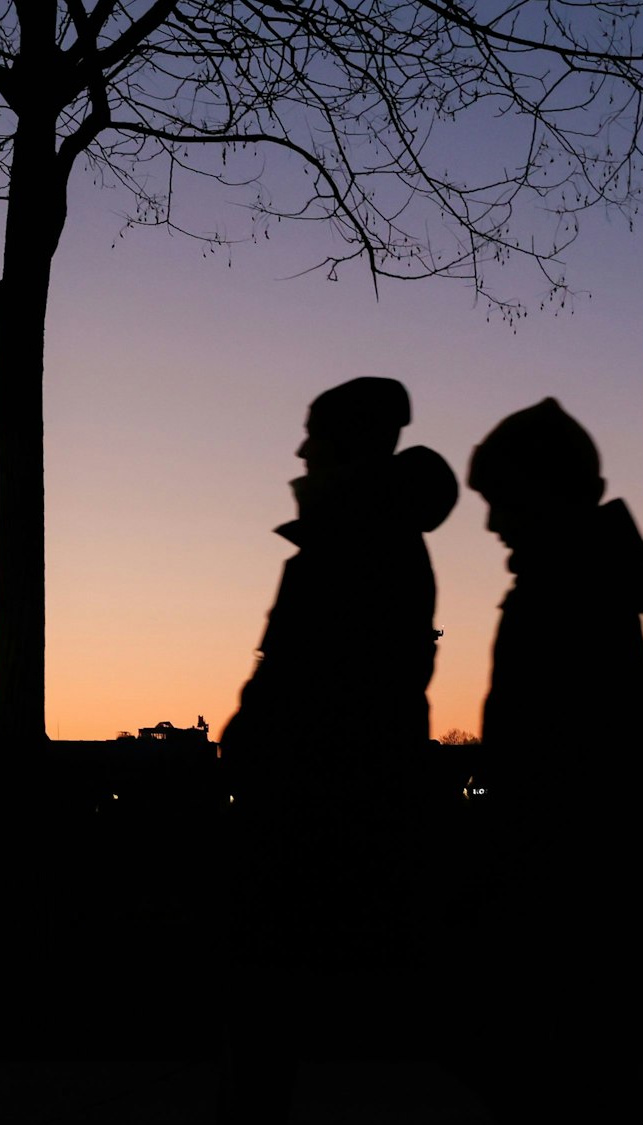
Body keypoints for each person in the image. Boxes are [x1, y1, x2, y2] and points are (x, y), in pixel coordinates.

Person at [220, 377, 458, 1124]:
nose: (300, 449)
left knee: (287, 1011)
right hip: (338, 805)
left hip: (318, 813)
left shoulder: (351, 544)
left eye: (314, 434)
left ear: (349, 444)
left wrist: (253, 746)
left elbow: (310, 679)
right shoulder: (372, 539)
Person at [451, 397, 643, 1123]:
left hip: (558, 886)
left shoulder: (566, 587)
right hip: (570, 884)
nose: (488, 521)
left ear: (542, 489)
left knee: (562, 1077)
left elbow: (554, 758)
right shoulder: (583, 575)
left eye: (499, 497)